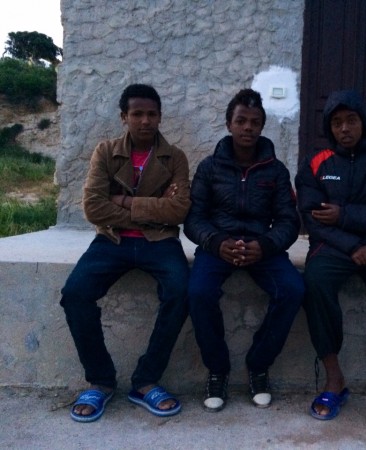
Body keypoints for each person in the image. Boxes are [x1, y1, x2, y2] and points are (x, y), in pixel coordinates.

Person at [60, 83, 191, 422]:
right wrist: (152, 206)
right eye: (137, 114)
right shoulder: (106, 152)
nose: (145, 121)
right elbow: (93, 208)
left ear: (160, 117)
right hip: (113, 240)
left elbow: (178, 211)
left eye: (151, 114)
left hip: (160, 242)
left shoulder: (174, 157)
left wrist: (125, 201)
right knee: (75, 293)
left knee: (181, 291)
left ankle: (146, 380)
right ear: (124, 117)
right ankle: (101, 381)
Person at [295, 89, 366, 426]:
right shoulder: (317, 164)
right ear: (328, 128)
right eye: (336, 123)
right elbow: (312, 217)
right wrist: (350, 246)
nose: (344, 128)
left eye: (351, 120)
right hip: (335, 247)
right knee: (315, 282)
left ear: (364, 122)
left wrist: (344, 215)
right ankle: (335, 379)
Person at [184, 88, 304, 412]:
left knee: (293, 289)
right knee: (198, 293)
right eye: (241, 121)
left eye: (254, 122)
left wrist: (265, 245)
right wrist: (215, 242)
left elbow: (288, 221)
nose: (247, 128)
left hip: (260, 247)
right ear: (229, 124)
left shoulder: (276, 170)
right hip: (217, 246)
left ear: (262, 126)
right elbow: (193, 219)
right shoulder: (209, 168)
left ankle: (259, 365)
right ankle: (218, 370)